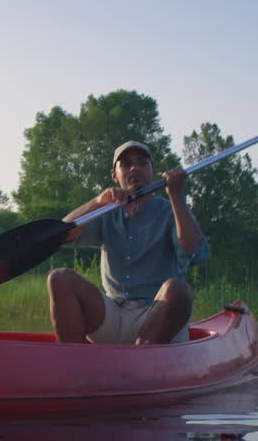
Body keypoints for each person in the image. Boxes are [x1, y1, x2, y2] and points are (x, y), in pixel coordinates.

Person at [48, 141, 208, 345]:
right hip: (112, 316)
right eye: (125, 164)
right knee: (59, 278)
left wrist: (177, 196)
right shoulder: (105, 211)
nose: (134, 168)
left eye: (142, 163)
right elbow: (60, 236)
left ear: (153, 171)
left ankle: (140, 362)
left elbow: (197, 253)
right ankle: (74, 366)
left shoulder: (171, 211)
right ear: (115, 175)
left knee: (178, 290)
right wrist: (98, 202)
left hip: (156, 318)